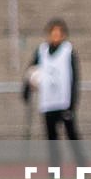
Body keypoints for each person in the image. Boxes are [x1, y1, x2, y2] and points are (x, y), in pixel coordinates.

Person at [23, 18, 81, 148]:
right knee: (52, 139)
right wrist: (26, 89)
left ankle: (82, 166)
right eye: (53, 33)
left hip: (64, 102)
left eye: (58, 33)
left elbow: (75, 78)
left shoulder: (68, 51)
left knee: (73, 136)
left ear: (63, 35)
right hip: (48, 102)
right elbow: (31, 70)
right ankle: (55, 168)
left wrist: (72, 103)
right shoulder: (41, 51)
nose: (55, 36)